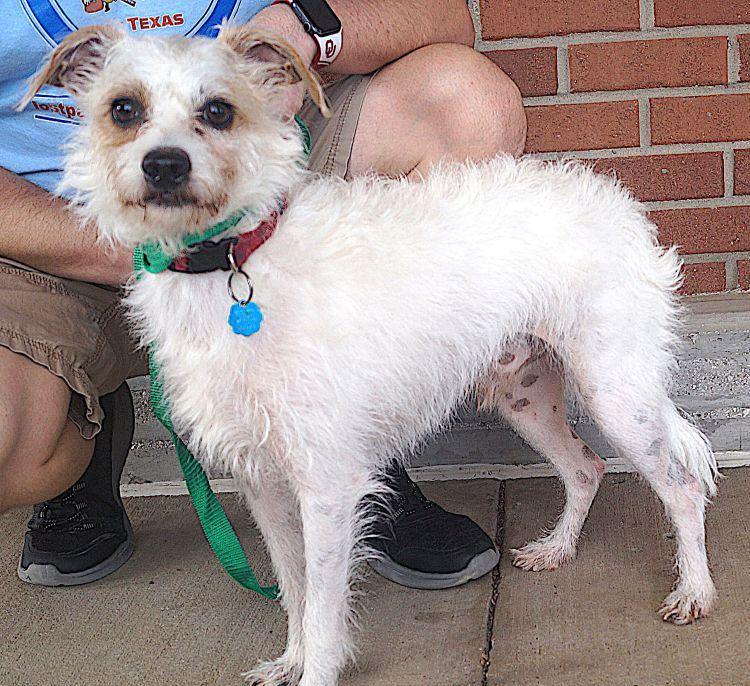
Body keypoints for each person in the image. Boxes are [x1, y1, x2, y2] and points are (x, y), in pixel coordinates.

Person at [0, 0, 526, 589]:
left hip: (259, 208)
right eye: (125, 111)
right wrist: (112, 247)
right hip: (44, 226)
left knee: (469, 103)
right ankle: (87, 420)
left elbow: (444, 18)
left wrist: (307, 25)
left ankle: (353, 434)